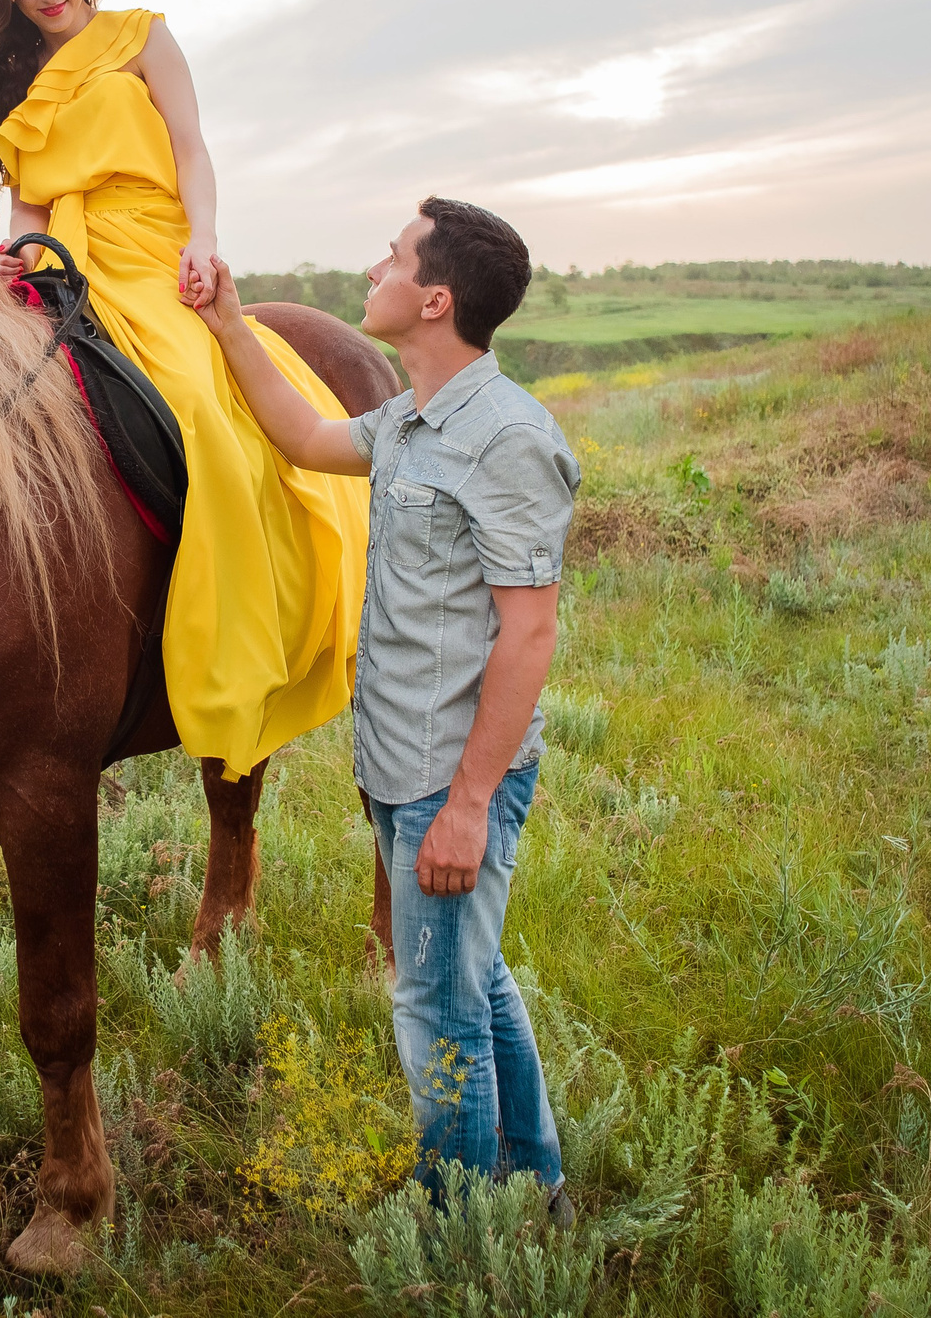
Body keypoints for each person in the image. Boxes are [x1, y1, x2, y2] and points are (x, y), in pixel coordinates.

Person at [0, 0, 370, 782]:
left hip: (155, 244)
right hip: (66, 255)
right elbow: (29, 204)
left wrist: (203, 237)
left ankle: (251, 601)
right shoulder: (19, 85)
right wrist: (12, 257)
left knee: (198, 399)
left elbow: (192, 149)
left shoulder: (142, 37)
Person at [195, 198, 579, 1201]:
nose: (374, 266)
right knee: (475, 982)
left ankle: (457, 1219)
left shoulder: (506, 437)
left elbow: (529, 634)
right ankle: (530, 1179)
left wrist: (465, 804)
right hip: (405, 761)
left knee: (435, 1006)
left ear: (434, 297)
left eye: (392, 257)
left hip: (451, 773)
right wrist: (231, 321)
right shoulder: (408, 419)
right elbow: (304, 437)